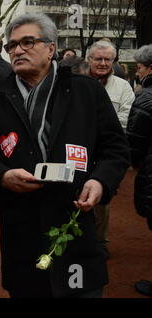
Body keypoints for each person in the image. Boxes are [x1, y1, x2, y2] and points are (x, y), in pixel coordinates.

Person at [0, 13, 130, 298]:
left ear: (51, 47)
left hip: (76, 228)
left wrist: (100, 182)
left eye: (28, 42)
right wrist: (3, 175)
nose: (18, 50)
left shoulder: (87, 92)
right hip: (22, 236)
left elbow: (116, 148)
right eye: (12, 46)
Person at [87, 40, 135, 257]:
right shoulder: (76, 82)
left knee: (102, 197)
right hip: (79, 149)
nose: (103, 63)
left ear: (114, 61)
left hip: (106, 152)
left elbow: (126, 120)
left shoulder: (124, 87)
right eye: (98, 58)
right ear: (89, 59)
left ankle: (99, 241)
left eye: (108, 59)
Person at [126, 44, 152, 297]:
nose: (139, 72)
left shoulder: (146, 97)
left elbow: (135, 140)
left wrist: (133, 163)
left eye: (140, 67)